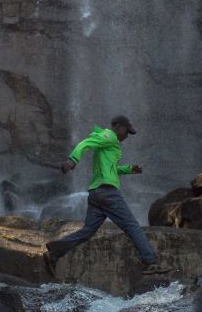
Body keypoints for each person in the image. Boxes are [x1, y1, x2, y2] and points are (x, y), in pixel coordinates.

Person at [43, 115, 172, 277]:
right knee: (132, 226)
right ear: (118, 127)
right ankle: (151, 262)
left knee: (88, 231)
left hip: (96, 194)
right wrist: (72, 160)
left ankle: (54, 252)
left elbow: (111, 170)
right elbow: (85, 143)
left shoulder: (111, 144)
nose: (127, 136)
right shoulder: (109, 136)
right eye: (127, 131)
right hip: (108, 193)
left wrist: (129, 169)